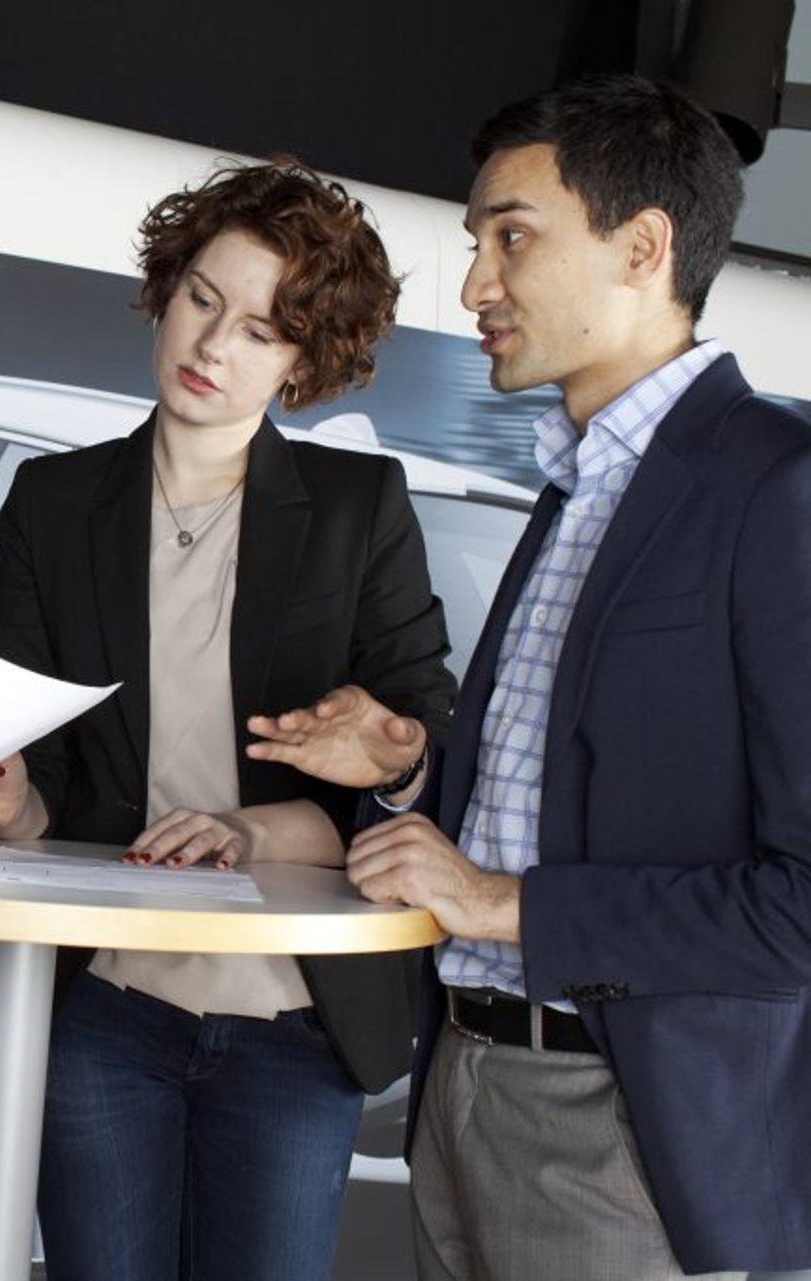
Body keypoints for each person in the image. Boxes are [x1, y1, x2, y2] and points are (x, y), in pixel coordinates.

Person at [249, 76, 811, 1280]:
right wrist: (404, 769)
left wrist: (504, 904)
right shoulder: (578, 486)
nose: (474, 287)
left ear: (642, 249)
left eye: (511, 238)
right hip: (466, 1093)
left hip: (627, 1136)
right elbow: (556, 798)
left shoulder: (779, 487)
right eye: (475, 243)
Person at [0, 160, 456, 1281]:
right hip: (101, 1008)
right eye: (203, 300)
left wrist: (382, 761)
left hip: (294, 1016)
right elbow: (44, 777)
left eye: (264, 332)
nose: (214, 345)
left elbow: (419, 743)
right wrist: (12, 800)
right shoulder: (55, 502)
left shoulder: (358, 513)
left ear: (308, 365)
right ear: (165, 289)